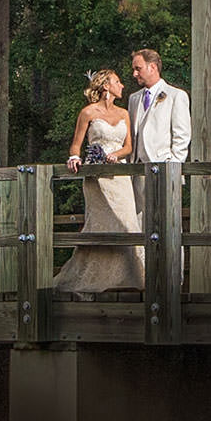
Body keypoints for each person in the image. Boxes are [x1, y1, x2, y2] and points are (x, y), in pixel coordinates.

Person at [50, 69, 144, 295]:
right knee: (100, 224)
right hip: (97, 178)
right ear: (106, 87)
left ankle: (134, 277)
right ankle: (91, 277)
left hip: (119, 176)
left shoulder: (123, 114)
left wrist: (117, 155)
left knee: (127, 222)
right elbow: (76, 144)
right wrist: (74, 157)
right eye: (118, 82)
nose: (122, 85)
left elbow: (129, 147)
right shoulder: (88, 112)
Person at [126, 48, 191, 164]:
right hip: (137, 170)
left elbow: (182, 135)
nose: (134, 74)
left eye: (138, 69)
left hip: (164, 166)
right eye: (134, 69)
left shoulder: (176, 95)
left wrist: (173, 164)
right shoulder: (133, 99)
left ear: (153, 67)